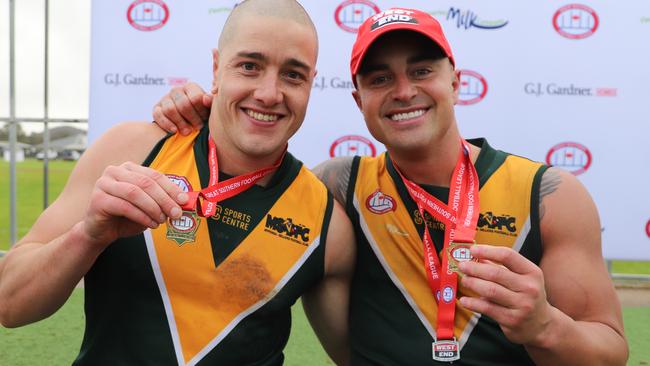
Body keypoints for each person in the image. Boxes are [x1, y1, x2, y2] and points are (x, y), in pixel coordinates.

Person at [151, 7, 628, 366]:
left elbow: (611, 350)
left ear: (456, 82)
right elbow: (240, 158)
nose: (403, 91)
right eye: (381, 78)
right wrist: (195, 109)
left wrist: (545, 326)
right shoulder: (337, 188)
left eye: (422, 71)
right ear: (359, 100)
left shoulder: (549, 195)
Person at [0, 1, 355, 365]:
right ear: (217, 69)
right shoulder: (131, 150)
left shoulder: (328, 224)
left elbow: (359, 355)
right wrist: (88, 235)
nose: (268, 93)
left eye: (293, 75)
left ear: (312, 83)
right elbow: (9, 303)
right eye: (250, 66)